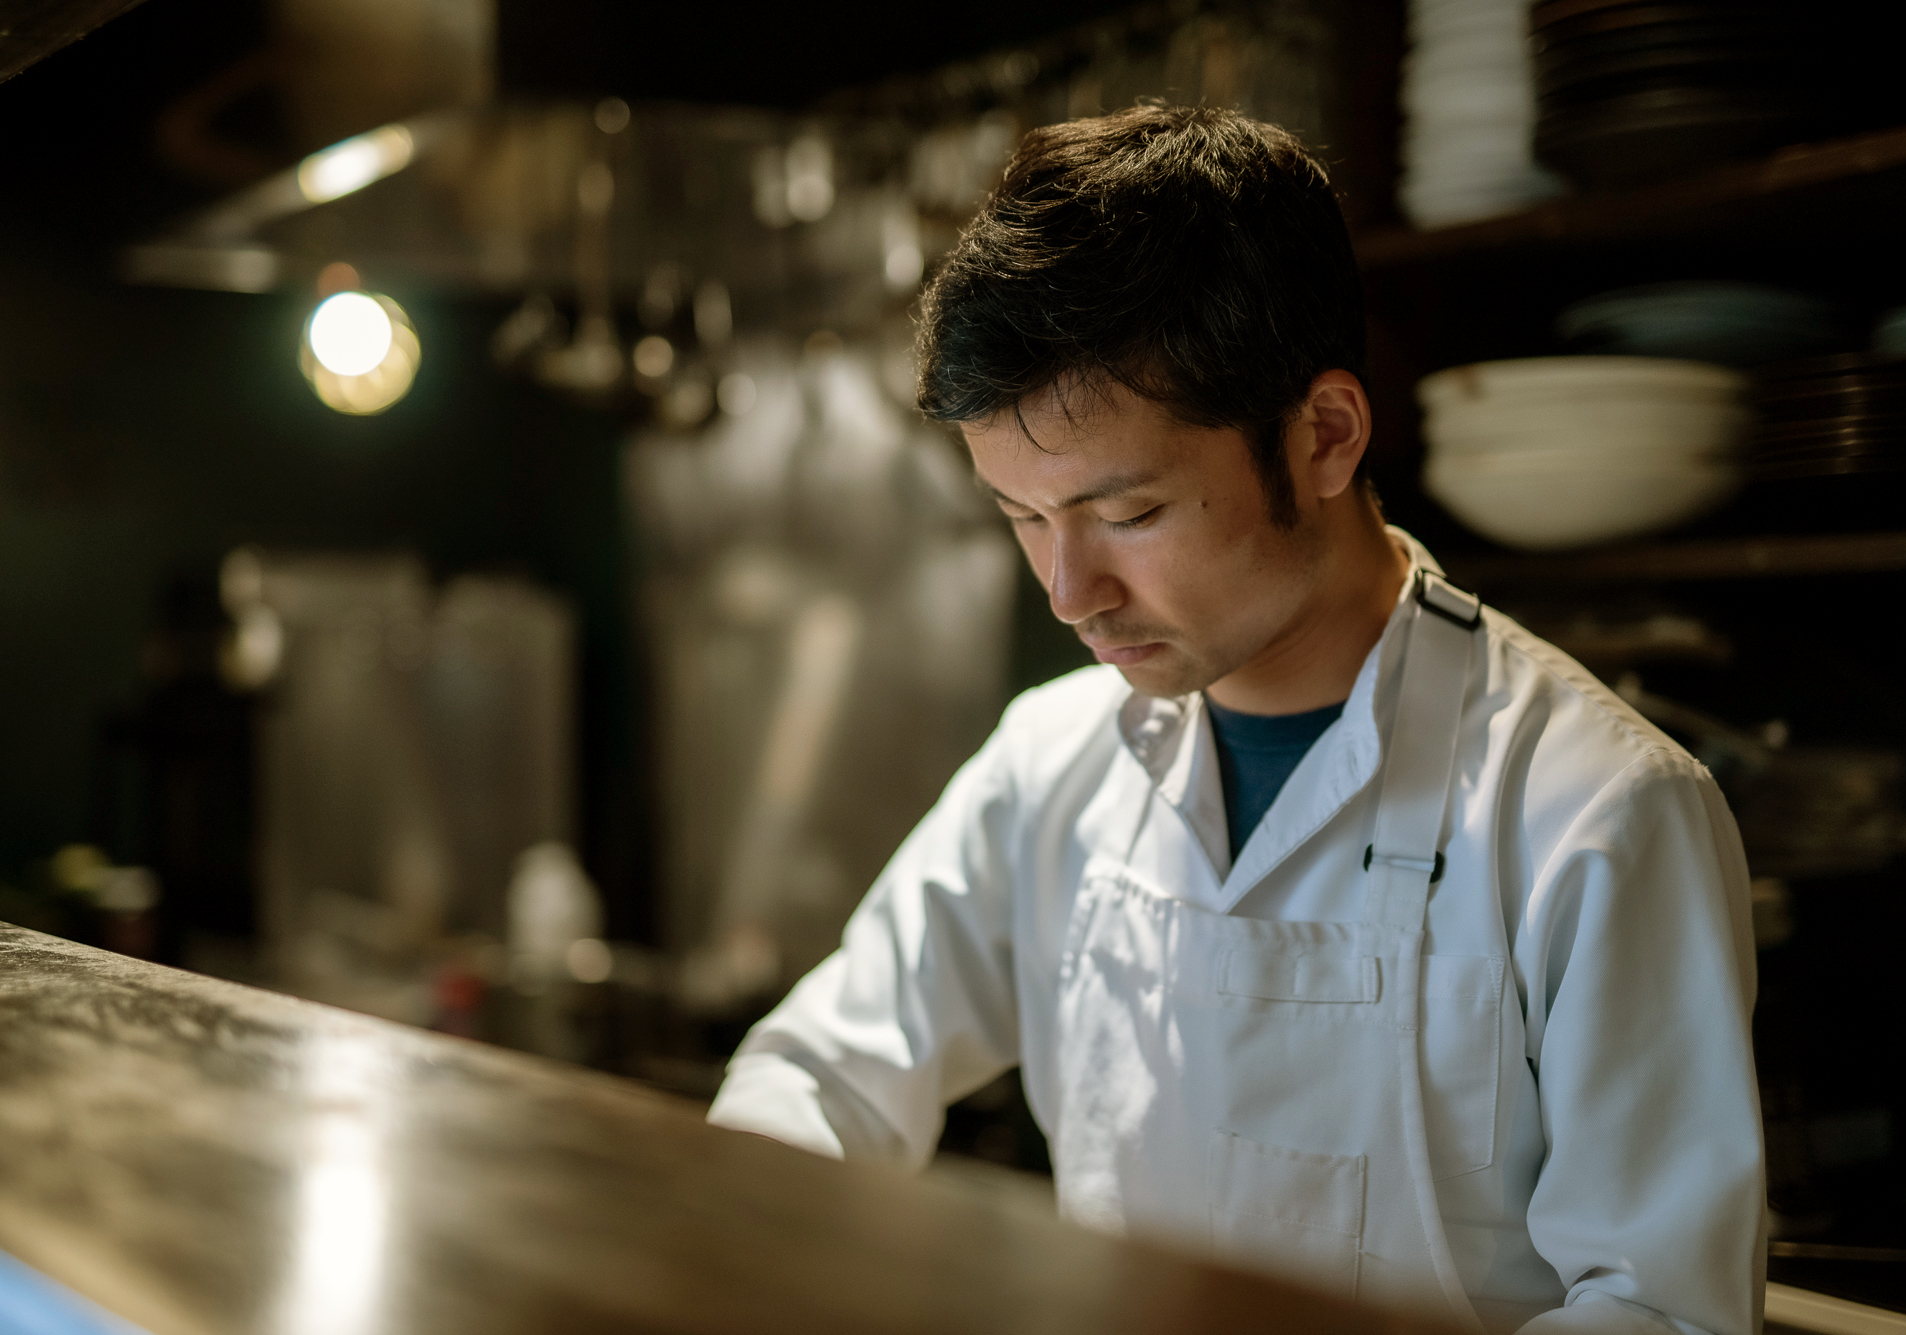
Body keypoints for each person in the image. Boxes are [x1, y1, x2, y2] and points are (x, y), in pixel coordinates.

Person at [707, 106, 1764, 1334]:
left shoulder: (1596, 811)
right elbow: (821, 1073)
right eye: (1022, 518)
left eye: (1129, 514)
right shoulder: (1050, 761)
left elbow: (1660, 1311)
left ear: (1323, 437)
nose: (1069, 592)